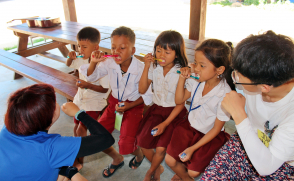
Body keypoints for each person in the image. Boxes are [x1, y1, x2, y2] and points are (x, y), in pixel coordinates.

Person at [200, 31, 294, 180]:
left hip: (282, 162)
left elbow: (266, 167)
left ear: (264, 87)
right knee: (212, 177)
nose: (235, 79)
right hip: (248, 135)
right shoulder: (257, 80)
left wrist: (239, 115)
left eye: (237, 76)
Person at [0, 84, 115, 181]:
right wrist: (80, 114)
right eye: (55, 102)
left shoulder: (9, 126)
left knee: (66, 172)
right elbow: (105, 139)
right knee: (76, 176)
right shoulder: (52, 147)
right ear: (49, 116)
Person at [80, 26, 153, 178]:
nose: (116, 51)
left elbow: (147, 96)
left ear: (133, 50)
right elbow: (92, 77)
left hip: (133, 106)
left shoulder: (141, 69)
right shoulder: (109, 63)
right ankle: (117, 159)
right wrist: (93, 62)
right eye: (113, 47)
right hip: (114, 103)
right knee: (98, 135)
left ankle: (139, 155)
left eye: (122, 47)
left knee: (126, 145)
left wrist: (130, 106)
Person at [164, 39, 234, 181]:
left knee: (193, 172)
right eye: (195, 62)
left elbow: (216, 129)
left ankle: (183, 175)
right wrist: (182, 79)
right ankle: (184, 176)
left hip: (208, 135)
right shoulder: (196, 79)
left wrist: (192, 148)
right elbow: (179, 100)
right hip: (188, 128)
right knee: (170, 161)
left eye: (202, 65)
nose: (195, 68)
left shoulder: (225, 94)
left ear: (219, 70)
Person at [136, 30, 193, 181]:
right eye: (158, 50)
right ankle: (157, 167)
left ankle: (151, 172)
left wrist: (166, 123)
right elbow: (142, 89)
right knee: (142, 142)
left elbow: (180, 103)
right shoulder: (154, 67)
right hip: (156, 110)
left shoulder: (182, 72)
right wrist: (146, 66)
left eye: (167, 52)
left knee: (161, 147)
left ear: (177, 53)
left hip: (174, 113)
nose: (161, 55)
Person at [66, 26, 110, 169]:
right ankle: (77, 156)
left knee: (81, 130)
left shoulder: (103, 64)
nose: (80, 49)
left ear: (96, 47)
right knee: (76, 128)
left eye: (84, 47)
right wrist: (69, 56)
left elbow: (104, 90)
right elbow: (68, 64)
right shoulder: (81, 58)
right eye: (79, 46)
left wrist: (87, 85)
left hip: (93, 102)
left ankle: (79, 161)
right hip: (80, 99)